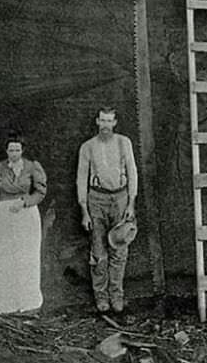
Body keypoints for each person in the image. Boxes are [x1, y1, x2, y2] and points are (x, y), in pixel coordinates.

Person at [0, 133, 47, 315]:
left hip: (27, 215)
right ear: (6, 150)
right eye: (10, 150)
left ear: (22, 150)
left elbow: (41, 192)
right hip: (4, 216)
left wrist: (25, 202)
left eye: (17, 149)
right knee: (3, 257)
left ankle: (26, 300)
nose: (14, 153)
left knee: (25, 257)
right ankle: (1, 301)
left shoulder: (32, 167)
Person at [76, 107, 138, 314]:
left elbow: (132, 172)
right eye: (102, 120)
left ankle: (116, 296)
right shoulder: (88, 147)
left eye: (109, 121)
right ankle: (101, 297)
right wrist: (84, 209)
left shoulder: (124, 142)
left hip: (120, 198)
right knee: (98, 252)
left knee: (119, 250)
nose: (105, 125)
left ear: (115, 123)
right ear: (97, 122)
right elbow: (81, 178)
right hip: (96, 199)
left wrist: (131, 203)